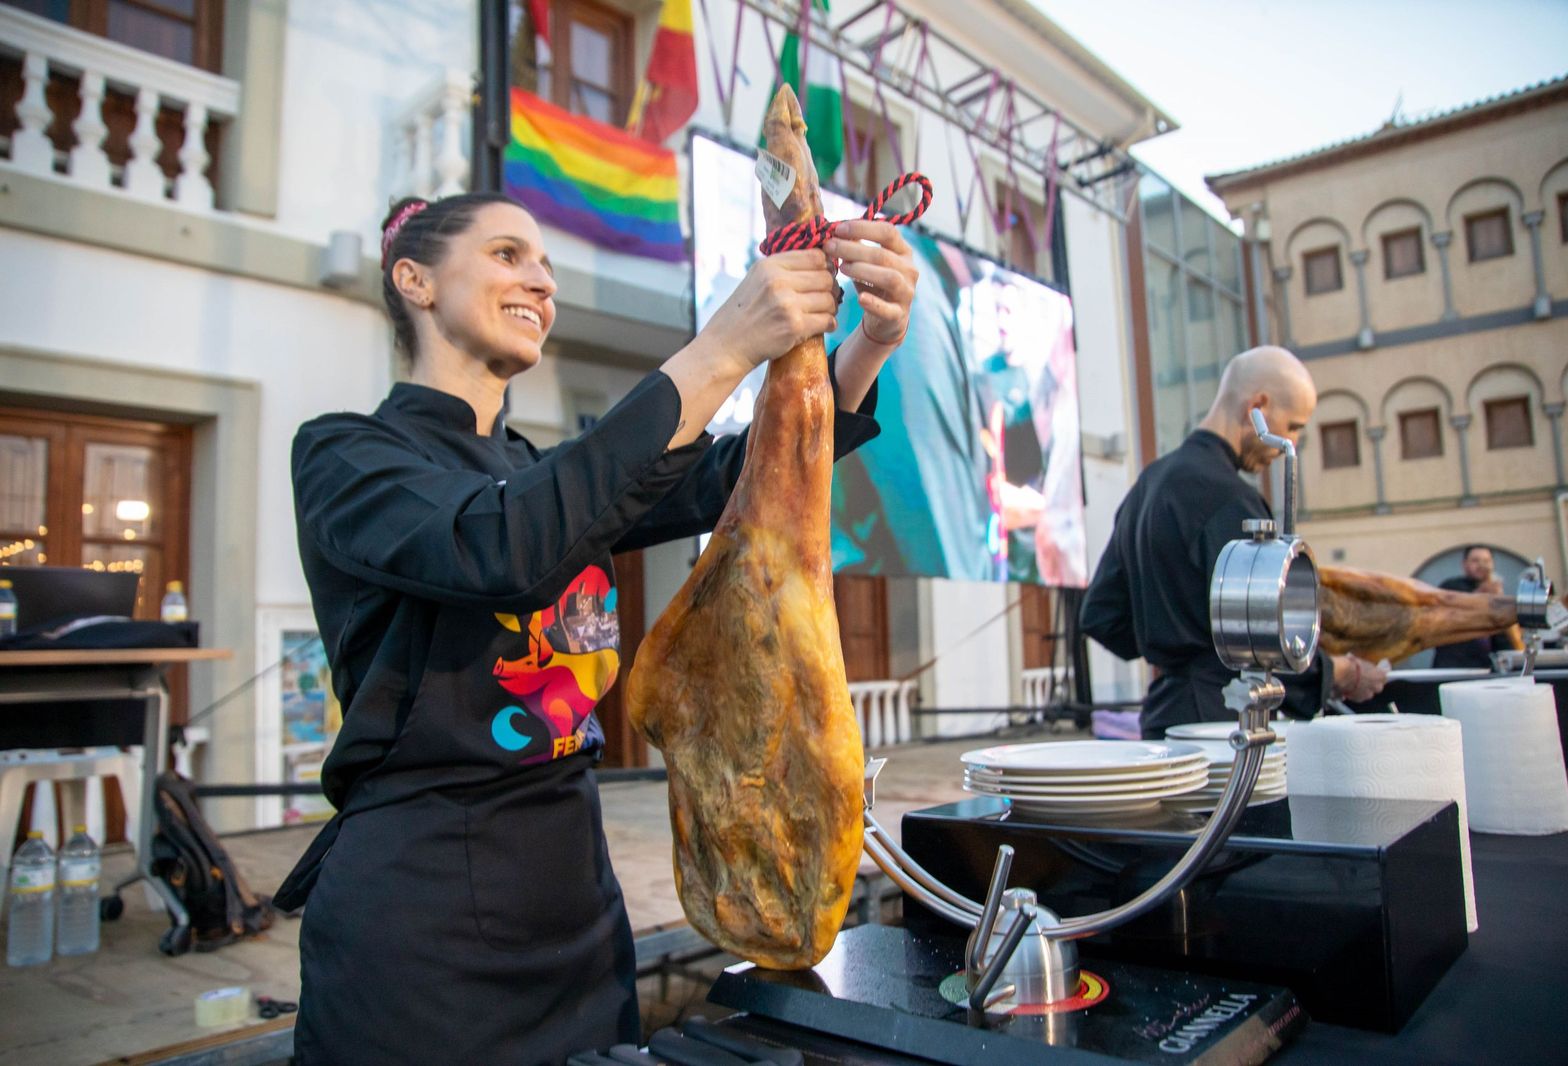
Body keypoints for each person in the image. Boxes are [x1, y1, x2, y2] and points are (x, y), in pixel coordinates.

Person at [275, 191, 920, 1064]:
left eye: (545, 266)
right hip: (423, 922)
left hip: (576, 899)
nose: (539, 281)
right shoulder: (345, 455)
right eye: (508, 254)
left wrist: (860, 353)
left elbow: (735, 481)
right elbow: (498, 541)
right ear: (414, 279)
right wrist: (724, 345)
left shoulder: (537, 471)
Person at [1080, 346, 1388, 739]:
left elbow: (1101, 616)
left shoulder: (1149, 484)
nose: (1287, 445)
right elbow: (1267, 643)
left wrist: (1170, 640)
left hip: (1161, 721)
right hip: (1224, 726)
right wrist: (1341, 671)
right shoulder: (1232, 501)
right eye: (1292, 427)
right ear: (1257, 406)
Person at [1433, 545, 1516, 669]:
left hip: (1486, 668)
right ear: (1464, 564)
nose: (1482, 565)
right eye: (1475, 560)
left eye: (1486, 561)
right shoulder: (1451, 587)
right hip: (1453, 666)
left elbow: (1504, 638)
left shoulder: (1497, 594)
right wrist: (1482, 593)